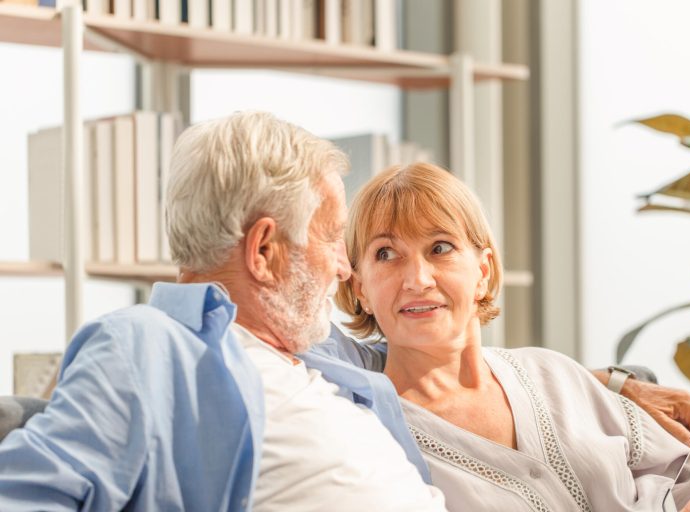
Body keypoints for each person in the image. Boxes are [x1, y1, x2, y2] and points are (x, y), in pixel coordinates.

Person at [0, 112, 445, 511]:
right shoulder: (147, 345)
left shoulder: (323, 357)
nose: (346, 268)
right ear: (264, 251)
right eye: (331, 238)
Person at [334, 162, 690, 511]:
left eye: (440, 248)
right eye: (386, 254)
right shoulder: (371, 437)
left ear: (482, 272)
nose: (417, 278)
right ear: (360, 290)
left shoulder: (550, 372)